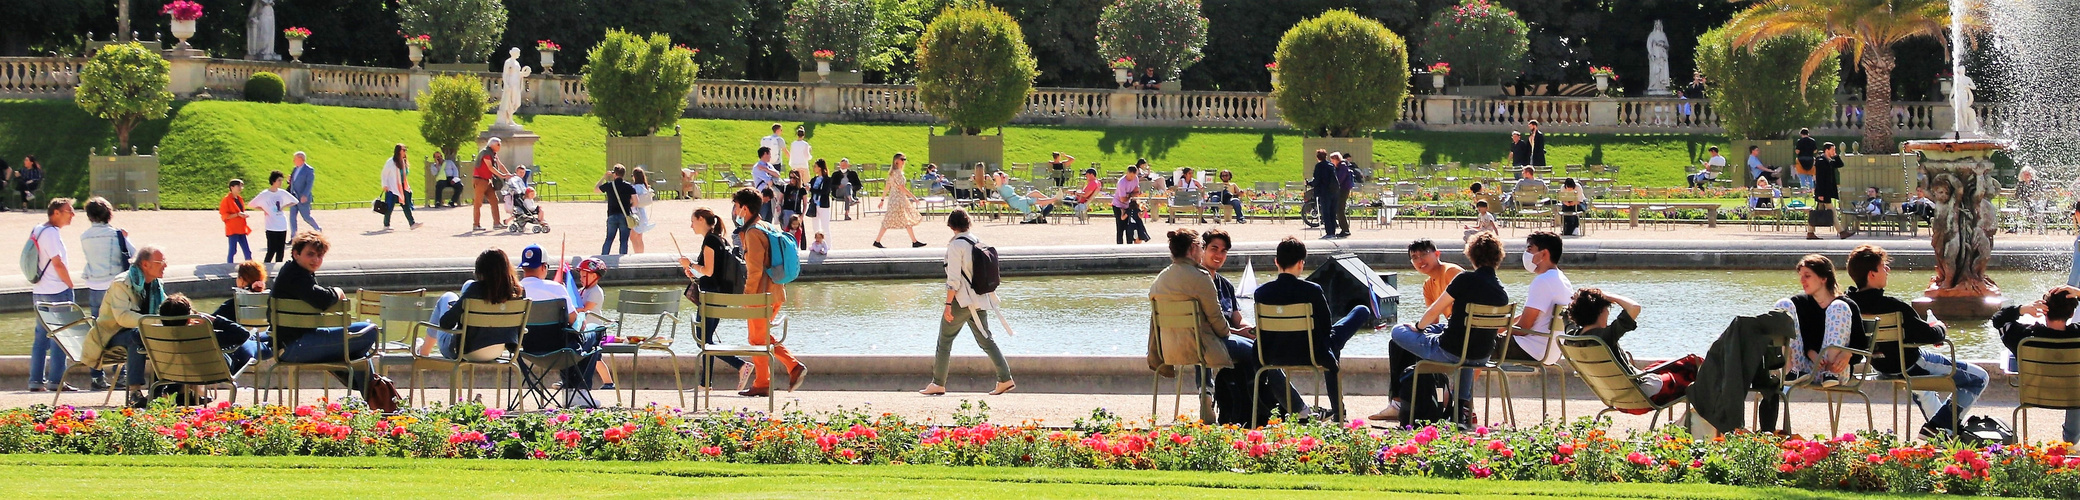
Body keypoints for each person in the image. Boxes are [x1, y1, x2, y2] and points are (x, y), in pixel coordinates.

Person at [1845, 245, 1985, 437]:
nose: (1888, 270)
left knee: (1923, 389)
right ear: (1872, 274)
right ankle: (1938, 425)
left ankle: (1942, 434)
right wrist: (1940, 328)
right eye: (1883, 267)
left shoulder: (1848, 304)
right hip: (1910, 364)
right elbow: (1930, 336)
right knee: (1979, 378)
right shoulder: (1894, 307)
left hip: (1880, 365)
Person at [1378, 231, 1509, 423]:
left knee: (1398, 331)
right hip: (1482, 353)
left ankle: (1405, 401)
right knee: (1465, 353)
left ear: (1470, 255)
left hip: (1452, 350)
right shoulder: (1502, 292)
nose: (1419, 259)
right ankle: (1462, 409)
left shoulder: (1462, 279)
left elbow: (1433, 312)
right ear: (1498, 257)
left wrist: (1417, 327)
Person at [1253, 237, 1375, 420]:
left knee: (1331, 345)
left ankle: (1335, 412)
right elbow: (1326, 328)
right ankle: (1338, 412)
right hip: (1311, 354)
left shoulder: (1261, 292)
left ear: (1276, 262)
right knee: (1360, 312)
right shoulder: (1312, 290)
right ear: (1301, 264)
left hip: (1273, 355)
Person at [270, 231, 384, 400]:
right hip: (295, 347)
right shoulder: (296, 276)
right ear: (296, 253)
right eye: (310, 254)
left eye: (320, 255)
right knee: (370, 330)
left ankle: (373, 397)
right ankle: (377, 398)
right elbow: (321, 300)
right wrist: (337, 291)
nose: (316, 259)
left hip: (290, 345)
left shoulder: (291, 272)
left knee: (358, 354)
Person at [921, 209, 1017, 396]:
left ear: (951, 225)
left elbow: (954, 280)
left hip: (962, 301)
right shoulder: (976, 240)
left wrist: (948, 305)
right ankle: (1005, 378)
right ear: (968, 223)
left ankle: (938, 383)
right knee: (986, 340)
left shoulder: (956, 245)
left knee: (945, 340)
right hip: (980, 298)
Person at [1369, 239, 1464, 421]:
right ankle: (1399, 401)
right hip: (1448, 332)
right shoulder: (1428, 285)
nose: (1420, 260)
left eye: (1423, 254)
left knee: (1399, 336)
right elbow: (1433, 322)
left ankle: (1399, 402)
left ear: (1437, 254)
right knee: (1399, 341)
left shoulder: (1452, 272)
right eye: (1414, 257)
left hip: (1459, 334)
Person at [1146, 228, 1234, 421]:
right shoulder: (1200, 278)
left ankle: (1207, 394)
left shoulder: (1159, 280)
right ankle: (1243, 413)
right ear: (1194, 248)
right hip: (1199, 349)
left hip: (1168, 351)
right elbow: (1219, 325)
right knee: (1251, 351)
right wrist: (1232, 333)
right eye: (1203, 247)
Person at [1565, 288, 1701, 411]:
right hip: (1641, 397)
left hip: (1616, 398)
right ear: (1601, 311)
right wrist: (1609, 296)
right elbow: (1634, 307)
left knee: (1669, 364)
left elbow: (1565, 315)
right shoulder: (1604, 337)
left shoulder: (1571, 337)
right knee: (1692, 364)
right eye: (1607, 309)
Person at [733, 188, 809, 397]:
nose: (735, 211)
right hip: (776, 292)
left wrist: (747, 296)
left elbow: (755, 270)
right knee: (758, 338)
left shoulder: (753, 232)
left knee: (758, 339)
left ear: (745, 208)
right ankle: (762, 382)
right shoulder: (767, 226)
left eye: (737, 207)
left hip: (761, 296)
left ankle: (792, 366)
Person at [677, 208, 753, 391]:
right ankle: (705, 384)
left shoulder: (710, 239)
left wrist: (690, 265)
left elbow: (709, 271)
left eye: (693, 221)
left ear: (701, 219)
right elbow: (711, 271)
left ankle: (741, 365)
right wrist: (693, 271)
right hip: (718, 294)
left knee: (702, 340)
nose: (691, 225)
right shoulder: (719, 239)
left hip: (711, 295)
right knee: (706, 339)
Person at [1995, 286, 2080, 442]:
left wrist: (2021, 310)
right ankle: (2071, 439)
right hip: (2075, 394)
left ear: (2044, 310)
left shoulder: (2025, 337)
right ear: (2072, 313)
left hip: (2036, 395)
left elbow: (1998, 319)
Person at [85, 245, 165, 406]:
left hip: (138, 331)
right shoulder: (122, 283)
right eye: (160, 261)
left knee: (162, 334)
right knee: (137, 335)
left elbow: (166, 306)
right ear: (145, 264)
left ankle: (159, 391)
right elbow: (122, 317)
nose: (165, 265)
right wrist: (155, 321)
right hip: (111, 334)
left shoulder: (156, 284)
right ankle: (134, 392)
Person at [1776, 254, 1863, 388]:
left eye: (1807, 275)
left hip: (1837, 369)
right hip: (1803, 369)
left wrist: (1848, 354)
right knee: (1784, 304)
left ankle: (1830, 374)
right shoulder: (1799, 303)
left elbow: (1861, 343)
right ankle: (1788, 372)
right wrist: (1812, 354)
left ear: (1823, 278)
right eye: (1801, 276)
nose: (1802, 280)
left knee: (1838, 307)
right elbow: (1801, 338)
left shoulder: (1847, 305)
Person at [429, 249, 525, 361]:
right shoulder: (518, 292)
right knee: (468, 285)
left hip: (465, 352)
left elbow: (445, 324)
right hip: (497, 351)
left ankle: (423, 351)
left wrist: (458, 312)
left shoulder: (475, 289)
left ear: (480, 272)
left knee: (447, 297)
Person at [156, 293, 264, 388]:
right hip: (216, 373)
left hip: (176, 374)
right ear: (190, 317)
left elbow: (138, 334)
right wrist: (214, 320)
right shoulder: (206, 335)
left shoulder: (157, 337)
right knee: (244, 346)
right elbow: (243, 334)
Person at [26, 198, 78, 392]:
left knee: (40, 338)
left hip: (39, 290)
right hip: (57, 290)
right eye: (68, 211)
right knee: (61, 337)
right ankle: (56, 381)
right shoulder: (52, 234)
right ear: (55, 212)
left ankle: (35, 381)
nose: (72, 215)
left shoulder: (38, 229)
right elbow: (58, 263)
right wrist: (69, 284)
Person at [1507, 232, 1572, 365]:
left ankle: (1463, 386)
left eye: (1530, 249)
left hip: (1530, 349)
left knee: (1473, 343)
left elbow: (1524, 327)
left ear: (1544, 254)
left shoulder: (1542, 281)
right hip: (1551, 351)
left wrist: (1493, 333)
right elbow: (1534, 316)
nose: (1526, 253)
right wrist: (1504, 325)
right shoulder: (1563, 280)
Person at [873, 153, 927, 249]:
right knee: (889, 220)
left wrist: (882, 199)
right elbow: (901, 188)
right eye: (902, 159)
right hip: (898, 199)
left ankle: (914, 241)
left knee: (905, 219)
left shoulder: (893, 172)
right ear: (896, 161)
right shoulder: (897, 173)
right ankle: (877, 240)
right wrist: (914, 197)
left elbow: (887, 187)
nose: (904, 161)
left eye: (904, 159)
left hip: (896, 198)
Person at [249, 171, 297, 262]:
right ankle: (265, 269)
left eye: (281, 180)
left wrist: (284, 206)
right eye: (279, 180)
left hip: (282, 224)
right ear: (273, 181)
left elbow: (295, 201)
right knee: (271, 250)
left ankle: (278, 270)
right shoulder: (265, 194)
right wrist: (264, 209)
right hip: (271, 226)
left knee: (280, 251)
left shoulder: (282, 192)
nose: (280, 183)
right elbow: (252, 204)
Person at [378, 144, 423, 231]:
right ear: (399, 151)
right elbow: (384, 174)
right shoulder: (391, 162)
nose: (405, 152)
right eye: (404, 150)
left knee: (405, 205)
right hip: (392, 187)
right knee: (389, 206)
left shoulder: (403, 161)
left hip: (402, 186)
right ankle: (386, 224)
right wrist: (385, 185)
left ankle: (412, 223)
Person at [472, 139, 513, 231]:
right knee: (478, 203)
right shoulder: (486, 153)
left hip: (487, 180)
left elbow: (500, 165)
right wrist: (502, 175)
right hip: (480, 180)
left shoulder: (493, 153)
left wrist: (508, 174)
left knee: (494, 200)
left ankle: (497, 223)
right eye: (498, 144)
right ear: (492, 145)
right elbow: (490, 167)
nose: (500, 146)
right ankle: (476, 224)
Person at [597, 164, 637, 255]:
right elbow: (636, 201)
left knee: (609, 238)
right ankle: (622, 259)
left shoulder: (609, 185)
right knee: (623, 240)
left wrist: (604, 176)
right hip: (625, 215)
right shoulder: (629, 186)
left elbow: (596, 189)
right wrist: (629, 206)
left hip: (612, 215)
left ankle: (604, 257)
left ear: (614, 174)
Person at [990, 171, 1056, 224]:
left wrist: (1003, 175)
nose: (1004, 178)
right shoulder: (999, 185)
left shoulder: (1004, 185)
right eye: (1003, 177)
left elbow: (1006, 176)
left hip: (1017, 198)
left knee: (1035, 193)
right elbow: (996, 175)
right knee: (1034, 200)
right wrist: (997, 173)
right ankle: (1053, 200)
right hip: (1014, 201)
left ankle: (1051, 200)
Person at [1812, 142, 1844, 240]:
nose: (1834, 152)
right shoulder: (1821, 161)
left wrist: (1835, 155)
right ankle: (1842, 232)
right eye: (1832, 150)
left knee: (1817, 213)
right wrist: (1821, 194)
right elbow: (1820, 179)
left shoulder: (1828, 161)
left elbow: (1840, 164)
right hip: (1823, 192)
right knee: (1832, 211)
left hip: (1825, 191)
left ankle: (1810, 232)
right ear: (1827, 150)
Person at [1308, 150, 1342, 239]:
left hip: (1325, 192)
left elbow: (1317, 180)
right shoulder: (1331, 166)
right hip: (1334, 191)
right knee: (1332, 212)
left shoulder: (1319, 166)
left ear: (1317, 157)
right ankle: (1333, 232)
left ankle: (1329, 232)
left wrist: (1309, 183)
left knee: (1326, 212)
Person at [287, 152, 322, 234]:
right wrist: (289, 180)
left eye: (295, 159)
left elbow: (309, 184)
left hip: (302, 197)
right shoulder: (295, 169)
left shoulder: (309, 170)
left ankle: (318, 228)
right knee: (292, 217)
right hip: (293, 197)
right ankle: (293, 236)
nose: (293, 160)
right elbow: (293, 182)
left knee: (306, 217)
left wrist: (305, 195)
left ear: (301, 159)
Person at [219, 180, 253, 264]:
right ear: (232, 187)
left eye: (241, 186)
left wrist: (242, 215)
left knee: (247, 251)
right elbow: (224, 215)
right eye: (239, 186)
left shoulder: (240, 199)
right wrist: (237, 214)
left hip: (241, 228)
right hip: (233, 229)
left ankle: (251, 267)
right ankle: (229, 267)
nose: (241, 188)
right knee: (233, 250)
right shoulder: (226, 200)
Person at [1115, 163, 1151, 244]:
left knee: (1129, 227)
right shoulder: (1122, 183)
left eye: (1134, 176)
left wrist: (1130, 195)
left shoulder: (1135, 179)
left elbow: (1137, 191)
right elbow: (1122, 199)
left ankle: (1129, 243)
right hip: (1119, 205)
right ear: (1127, 173)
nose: (1132, 178)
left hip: (1129, 204)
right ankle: (1119, 245)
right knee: (1120, 227)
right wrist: (1131, 195)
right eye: (1130, 176)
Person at [629, 167, 657, 254]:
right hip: (643, 212)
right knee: (639, 237)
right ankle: (641, 254)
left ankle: (637, 254)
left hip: (636, 213)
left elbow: (633, 201)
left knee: (633, 237)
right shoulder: (644, 187)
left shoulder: (635, 188)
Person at [808, 159, 833, 245]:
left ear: (820, 167)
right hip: (814, 205)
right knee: (815, 227)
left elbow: (825, 192)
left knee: (825, 227)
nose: (814, 168)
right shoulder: (814, 179)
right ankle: (817, 245)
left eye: (815, 166)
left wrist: (811, 189)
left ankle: (828, 246)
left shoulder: (827, 179)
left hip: (823, 205)